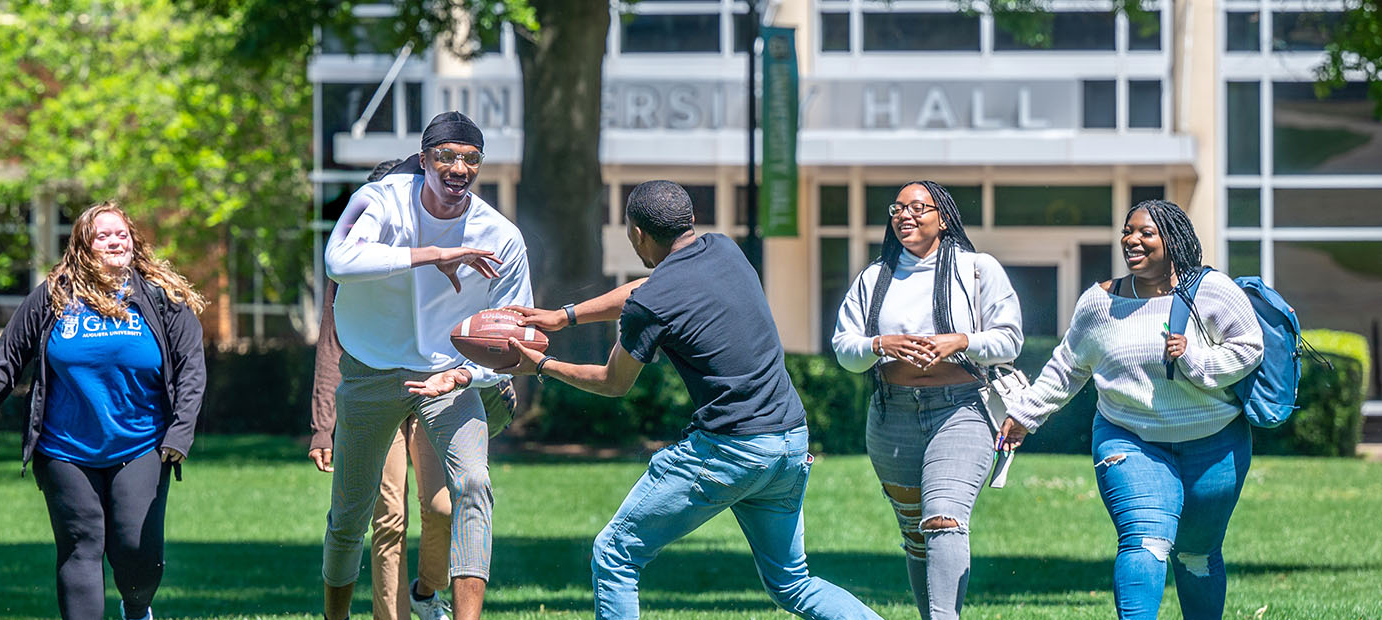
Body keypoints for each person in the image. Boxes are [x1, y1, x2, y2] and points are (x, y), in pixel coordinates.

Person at [481, 180, 883, 620]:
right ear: (689, 221)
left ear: (636, 234)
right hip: (788, 443)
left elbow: (613, 382)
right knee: (792, 582)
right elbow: (646, 290)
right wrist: (565, 316)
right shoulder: (724, 250)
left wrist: (540, 365)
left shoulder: (650, 306)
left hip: (732, 449)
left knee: (615, 553)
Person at [999, 200, 1263, 620]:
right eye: (1128, 231)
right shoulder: (1099, 302)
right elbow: (1068, 366)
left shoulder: (1213, 292)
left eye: (1146, 233)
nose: (1132, 241)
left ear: (1173, 241)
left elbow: (1250, 349)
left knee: (1196, 552)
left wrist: (1194, 360)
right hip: (1129, 438)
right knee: (1145, 539)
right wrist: (1025, 415)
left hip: (1214, 444)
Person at [322, 111, 532, 620]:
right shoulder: (381, 199)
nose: (458, 168)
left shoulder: (500, 235)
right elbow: (339, 261)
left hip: (449, 376)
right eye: (446, 156)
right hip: (371, 367)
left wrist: (464, 374)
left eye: (470, 159)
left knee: (474, 486)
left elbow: (516, 340)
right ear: (424, 160)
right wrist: (433, 253)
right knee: (352, 513)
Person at [0, 201, 207, 620]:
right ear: (82, 246)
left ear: (134, 242)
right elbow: (9, 355)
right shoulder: (54, 296)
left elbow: (191, 368)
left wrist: (180, 433)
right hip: (65, 447)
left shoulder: (161, 298)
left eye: (122, 233)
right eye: (103, 234)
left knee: (136, 552)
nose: (115, 240)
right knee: (79, 545)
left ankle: (137, 607)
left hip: (142, 443)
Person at [830, 180, 1023, 620]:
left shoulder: (977, 268)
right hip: (891, 415)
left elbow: (1010, 339)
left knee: (943, 520)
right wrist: (881, 344)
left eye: (918, 207)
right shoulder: (874, 277)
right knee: (918, 536)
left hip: (960, 410)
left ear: (944, 217)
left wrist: (960, 341)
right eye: (897, 208)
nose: (905, 215)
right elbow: (845, 348)